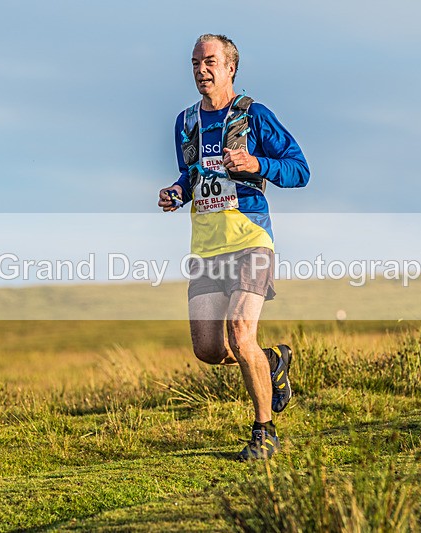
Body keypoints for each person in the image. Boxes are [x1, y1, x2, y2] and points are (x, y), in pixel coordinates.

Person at [158, 34, 309, 460]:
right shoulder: (185, 122)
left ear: (230, 68)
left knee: (241, 334)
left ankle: (265, 433)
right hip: (206, 249)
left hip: (250, 241)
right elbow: (190, 174)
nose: (201, 70)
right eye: (194, 63)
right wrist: (176, 191)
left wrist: (257, 163)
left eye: (209, 62)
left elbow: (300, 170)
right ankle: (273, 363)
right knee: (209, 350)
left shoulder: (255, 115)